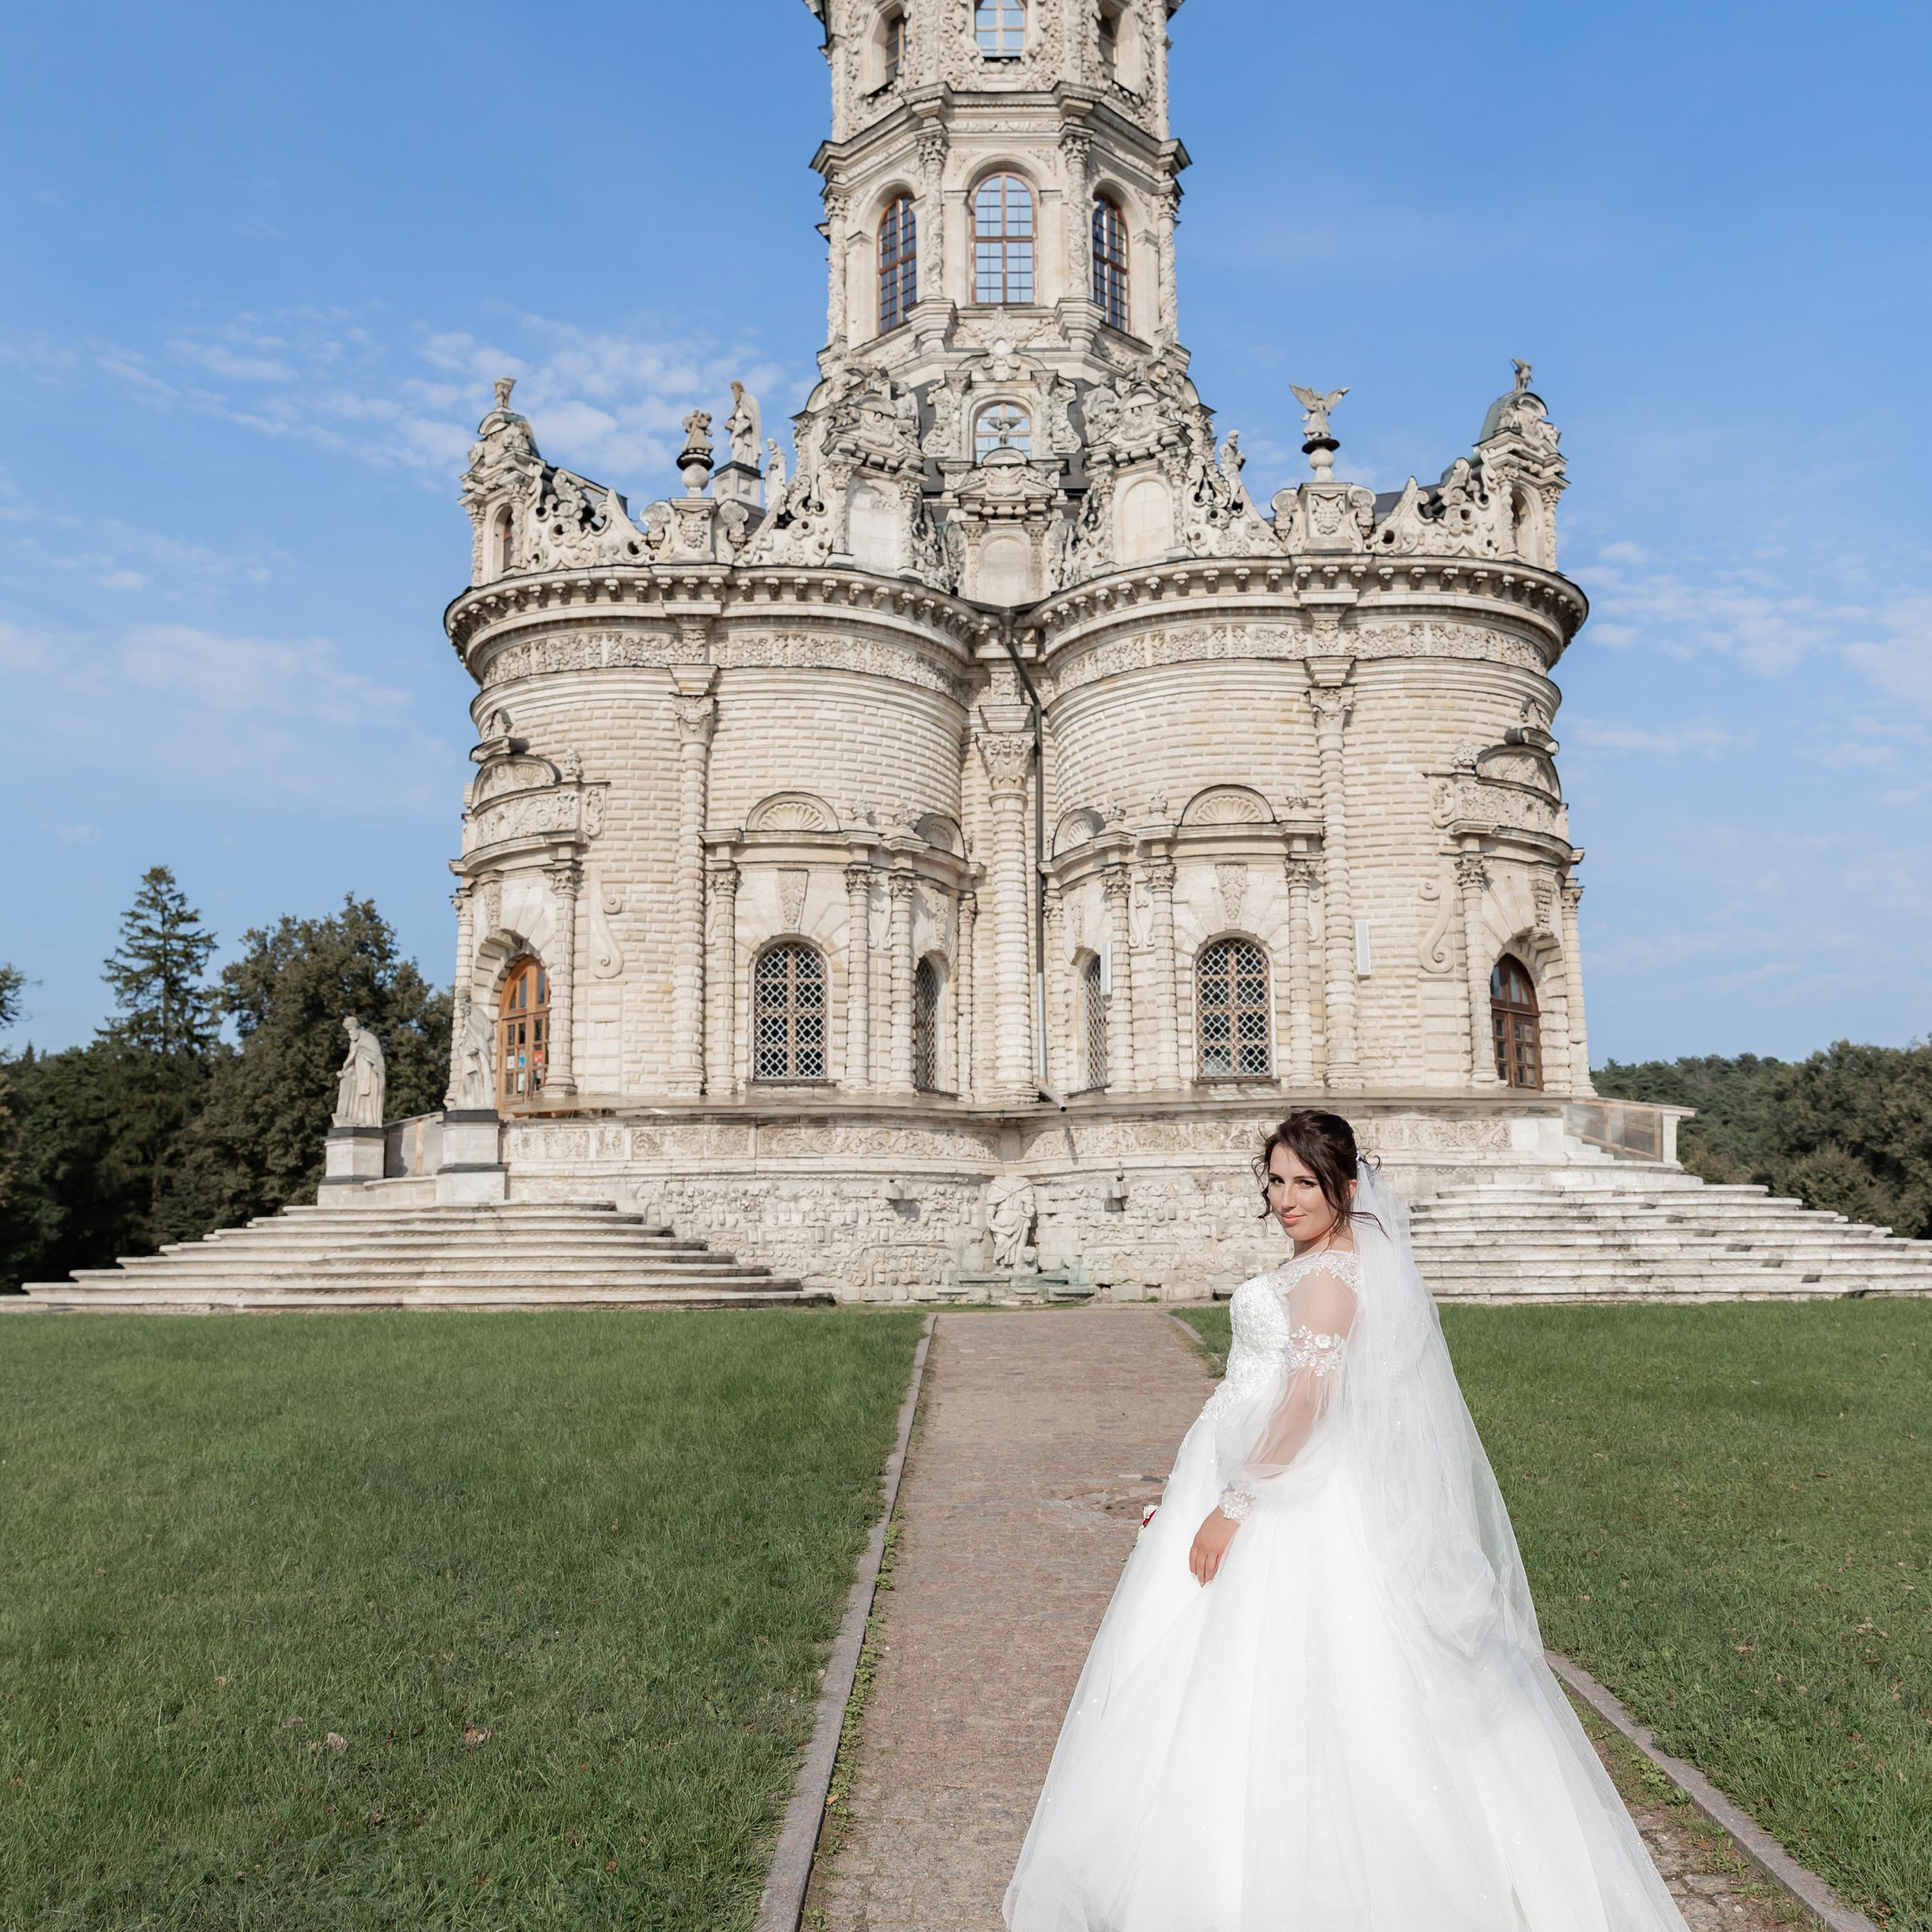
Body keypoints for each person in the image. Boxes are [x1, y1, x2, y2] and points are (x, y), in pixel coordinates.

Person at [1004, 1109, 1689, 1932]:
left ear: (1347, 1189)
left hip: (1286, 1495)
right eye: (1276, 1179)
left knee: (1288, 1686)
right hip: (1248, 1467)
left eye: (1305, 1183)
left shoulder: (1329, 1277)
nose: (1285, 1198)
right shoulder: (1321, 1261)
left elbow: (1306, 1402)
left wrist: (1231, 1506)